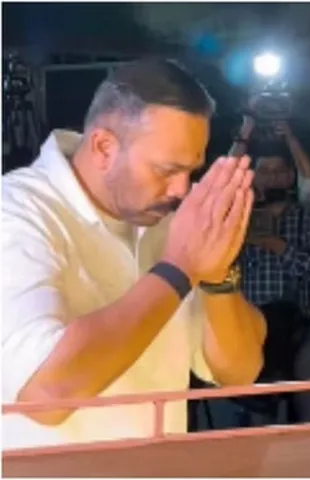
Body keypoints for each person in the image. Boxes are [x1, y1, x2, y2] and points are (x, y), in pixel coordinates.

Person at [2, 59, 266, 449]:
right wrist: (178, 270)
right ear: (104, 147)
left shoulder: (166, 221)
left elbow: (239, 372)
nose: (180, 189)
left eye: (191, 171)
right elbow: (46, 394)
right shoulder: (17, 212)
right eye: (166, 170)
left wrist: (217, 277)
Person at [236, 141, 310, 425]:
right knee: (258, 419)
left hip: (303, 328)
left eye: (279, 171)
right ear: (254, 176)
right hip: (254, 333)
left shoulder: (309, 219)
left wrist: (277, 246)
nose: (273, 178)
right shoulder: (239, 220)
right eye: (265, 171)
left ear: (291, 176)